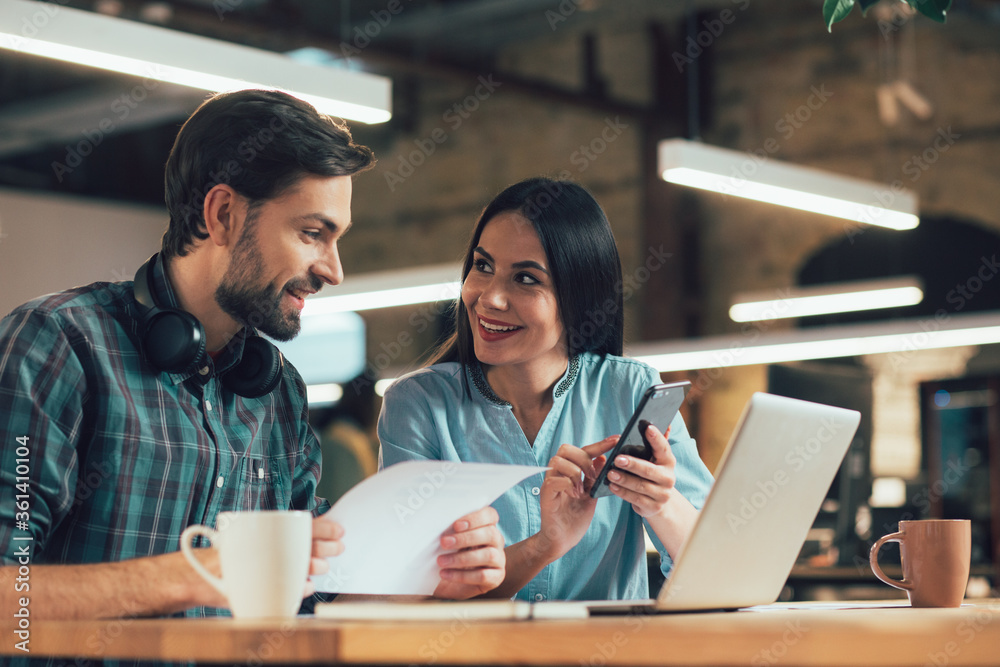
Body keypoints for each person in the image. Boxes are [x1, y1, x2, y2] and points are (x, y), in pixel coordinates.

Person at [0, 89, 504, 623]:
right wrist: (195, 574)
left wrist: (431, 578)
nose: (334, 270)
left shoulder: (278, 392)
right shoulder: (59, 346)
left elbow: (314, 601)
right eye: (313, 233)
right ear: (223, 215)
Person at [378, 177, 714, 601]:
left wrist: (660, 503)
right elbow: (405, 596)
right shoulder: (418, 406)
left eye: (525, 279)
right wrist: (544, 547)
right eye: (483, 267)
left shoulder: (631, 390)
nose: (489, 298)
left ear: (579, 300)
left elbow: (719, 569)